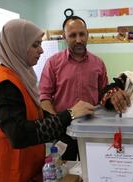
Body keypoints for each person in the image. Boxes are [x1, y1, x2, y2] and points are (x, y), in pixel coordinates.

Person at [0, 19, 95, 182]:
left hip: (25, 174)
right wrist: (69, 114)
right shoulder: (4, 85)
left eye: (40, 44)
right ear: (16, 45)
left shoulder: (21, 78)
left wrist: (72, 122)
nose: (41, 50)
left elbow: (38, 117)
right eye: (35, 45)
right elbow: (20, 134)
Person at [39, 15, 108, 161]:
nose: (78, 40)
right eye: (72, 35)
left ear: (87, 34)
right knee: (64, 175)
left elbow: (104, 96)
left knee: (93, 171)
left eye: (82, 34)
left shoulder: (99, 64)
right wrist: (56, 123)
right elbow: (44, 97)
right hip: (63, 131)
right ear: (64, 36)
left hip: (92, 130)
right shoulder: (53, 63)